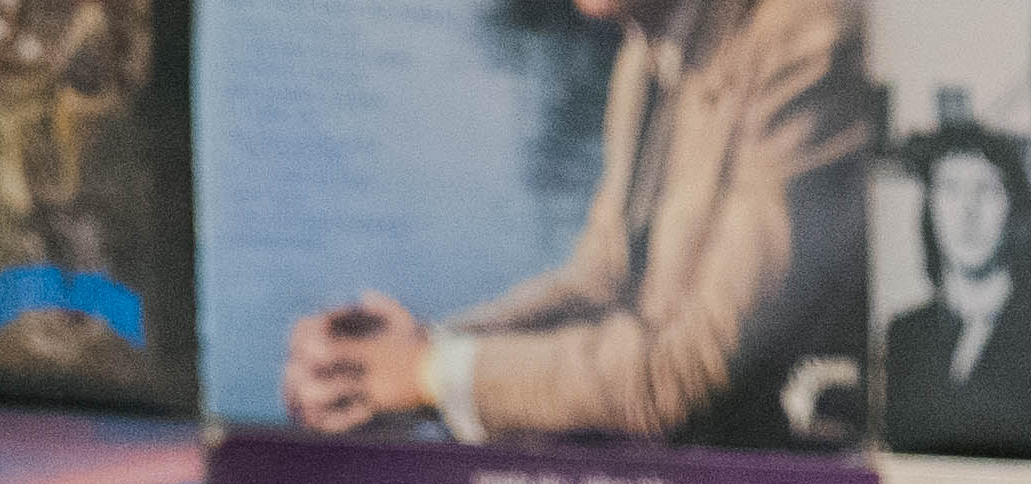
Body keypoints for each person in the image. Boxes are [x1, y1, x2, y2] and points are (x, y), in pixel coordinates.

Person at [272, 0, 870, 447]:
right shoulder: (648, 50)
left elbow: (684, 378)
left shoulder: (806, 41)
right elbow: (602, 282)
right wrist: (412, 354)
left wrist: (432, 376)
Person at [880, 129, 1031, 454]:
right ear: (930, 210)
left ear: (1017, 212)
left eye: (988, 189)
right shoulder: (904, 334)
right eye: (950, 189)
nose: (967, 210)